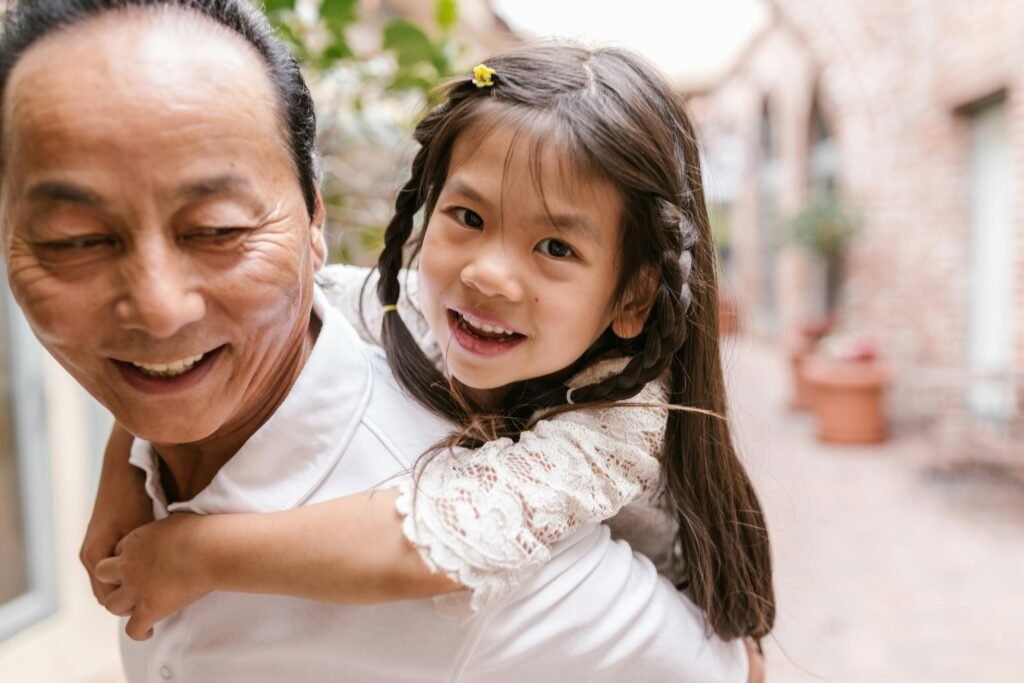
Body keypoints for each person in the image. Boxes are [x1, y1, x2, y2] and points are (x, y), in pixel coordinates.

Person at [1, 0, 765, 680]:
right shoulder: (401, 310)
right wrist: (124, 465)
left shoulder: (611, 434)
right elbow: (181, 350)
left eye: (556, 248)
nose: (490, 275)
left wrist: (196, 551)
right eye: (468, 218)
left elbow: (428, 538)